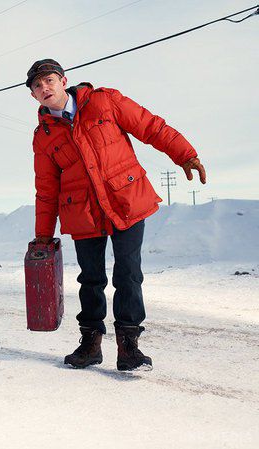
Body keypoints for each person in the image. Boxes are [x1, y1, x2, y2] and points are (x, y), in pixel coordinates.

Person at [27, 59, 206, 371]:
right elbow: (46, 189)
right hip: (81, 211)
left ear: (63, 80)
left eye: (49, 80)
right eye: (37, 86)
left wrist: (185, 154)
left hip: (126, 199)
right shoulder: (43, 136)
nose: (44, 88)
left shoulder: (104, 101)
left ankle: (129, 346)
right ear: (33, 96)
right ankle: (90, 342)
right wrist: (43, 235)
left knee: (128, 273)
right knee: (91, 279)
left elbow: (150, 126)